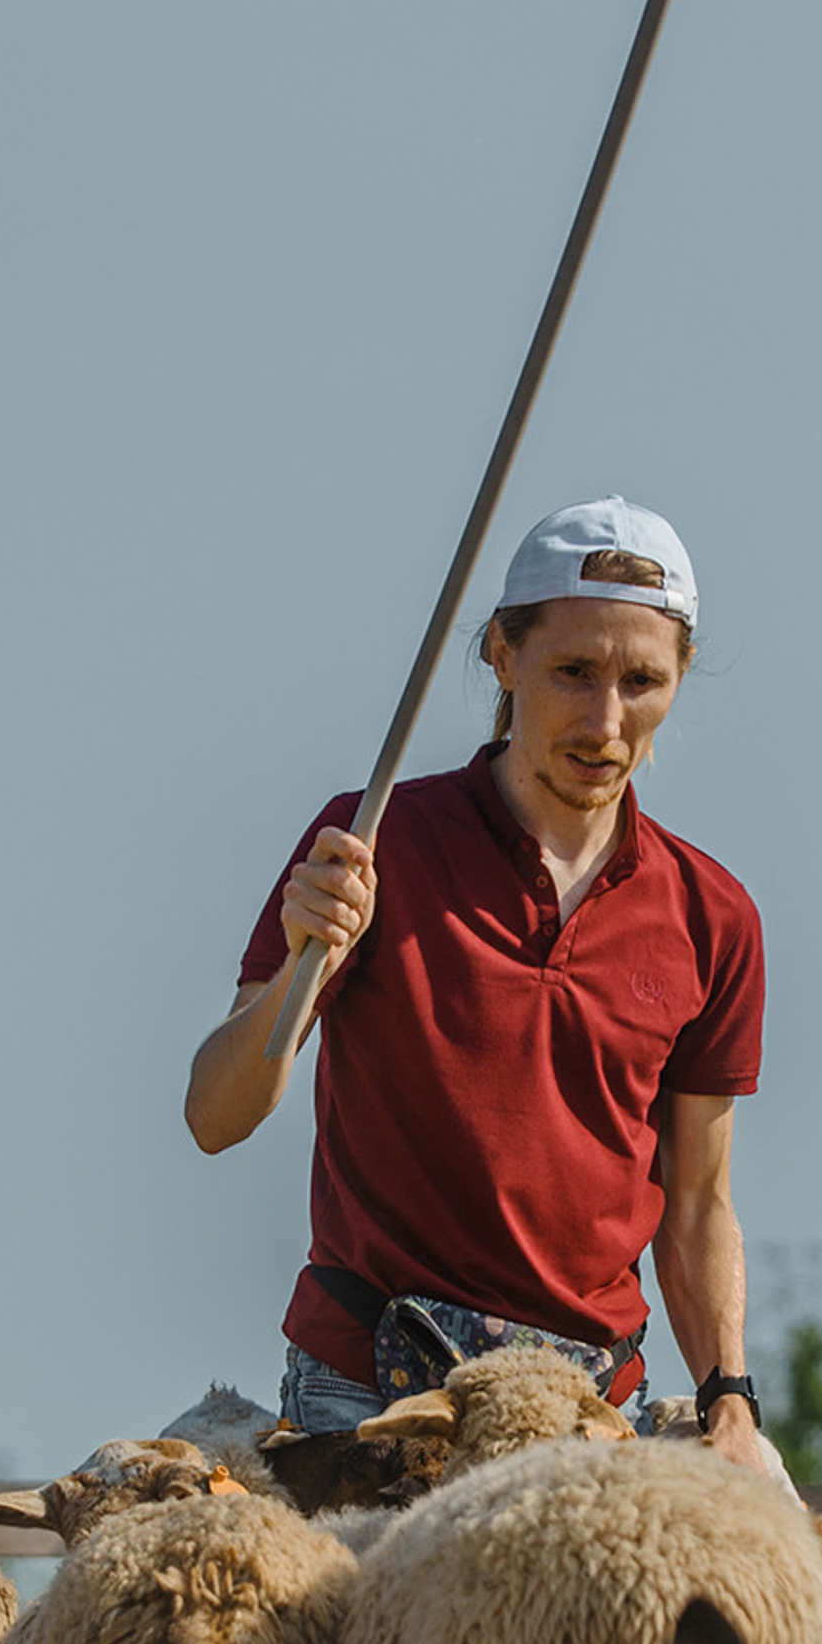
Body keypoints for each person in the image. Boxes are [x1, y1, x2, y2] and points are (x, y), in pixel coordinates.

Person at [183, 495, 771, 1473]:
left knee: (789, 1609)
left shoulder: (713, 915)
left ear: (680, 678)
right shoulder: (372, 845)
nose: (605, 720)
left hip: (588, 1409)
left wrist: (732, 1400)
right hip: (364, 1394)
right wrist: (300, 960)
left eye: (642, 681)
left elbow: (699, 1202)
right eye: (573, 672)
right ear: (502, 653)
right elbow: (215, 1115)